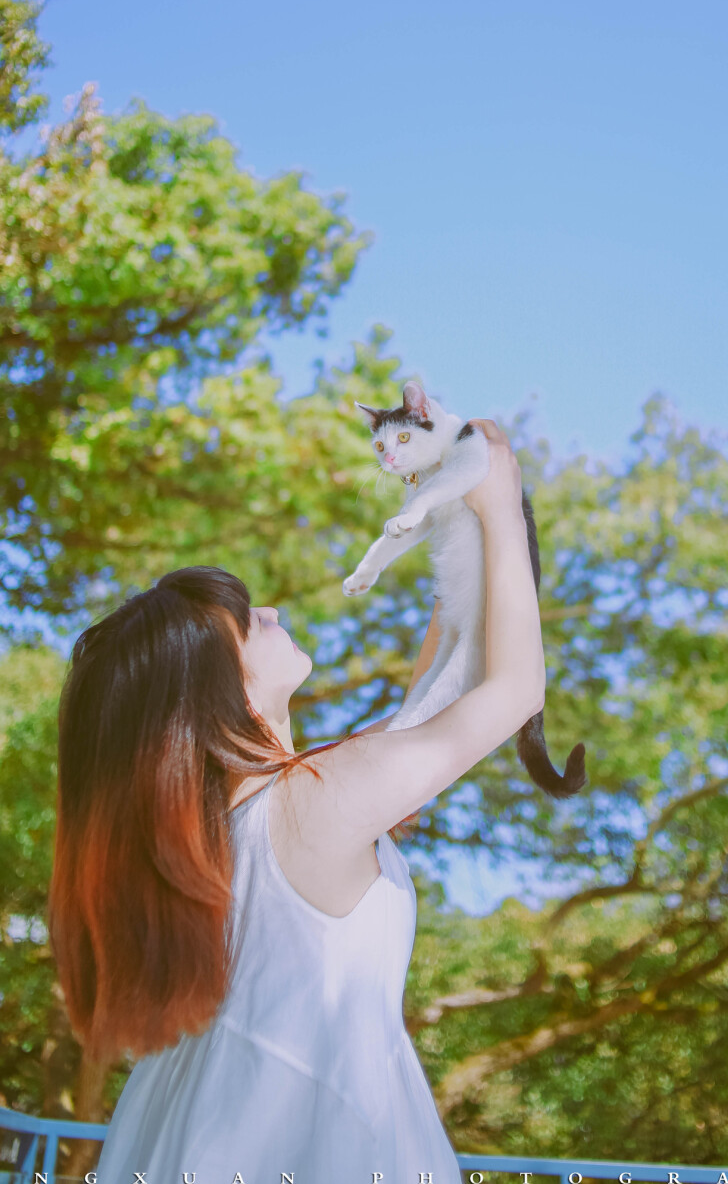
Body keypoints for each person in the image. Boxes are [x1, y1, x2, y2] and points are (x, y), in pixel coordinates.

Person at [48, 419, 546, 1183]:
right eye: (248, 623)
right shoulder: (311, 803)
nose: (273, 613)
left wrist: (457, 518)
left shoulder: (233, 828)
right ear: (218, 694)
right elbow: (507, 690)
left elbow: (434, 695)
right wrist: (500, 503)